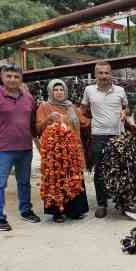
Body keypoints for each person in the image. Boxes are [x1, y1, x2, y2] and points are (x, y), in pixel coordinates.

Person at [0, 64, 41, 231]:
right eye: (9, 76)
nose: (12, 79)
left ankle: (26, 210)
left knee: (24, 183)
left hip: (25, 147)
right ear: (2, 77)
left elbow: (32, 122)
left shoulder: (28, 99)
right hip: (3, 149)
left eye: (16, 76)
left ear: (21, 79)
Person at [36, 79, 90, 223]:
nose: (59, 92)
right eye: (56, 90)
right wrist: (49, 119)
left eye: (61, 90)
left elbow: (85, 122)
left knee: (73, 178)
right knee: (56, 178)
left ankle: (75, 210)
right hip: (55, 152)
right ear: (50, 91)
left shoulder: (71, 107)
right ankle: (57, 212)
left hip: (72, 150)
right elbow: (38, 128)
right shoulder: (44, 107)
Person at [81, 61, 131, 218]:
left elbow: (127, 107)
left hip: (118, 134)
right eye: (100, 73)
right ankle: (102, 204)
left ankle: (122, 203)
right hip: (98, 135)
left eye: (106, 73)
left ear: (111, 74)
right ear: (95, 75)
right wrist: (87, 121)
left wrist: (125, 112)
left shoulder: (120, 91)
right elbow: (82, 109)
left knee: (121, 169)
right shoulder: (89, 90)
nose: (104, 76)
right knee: (100, 171)